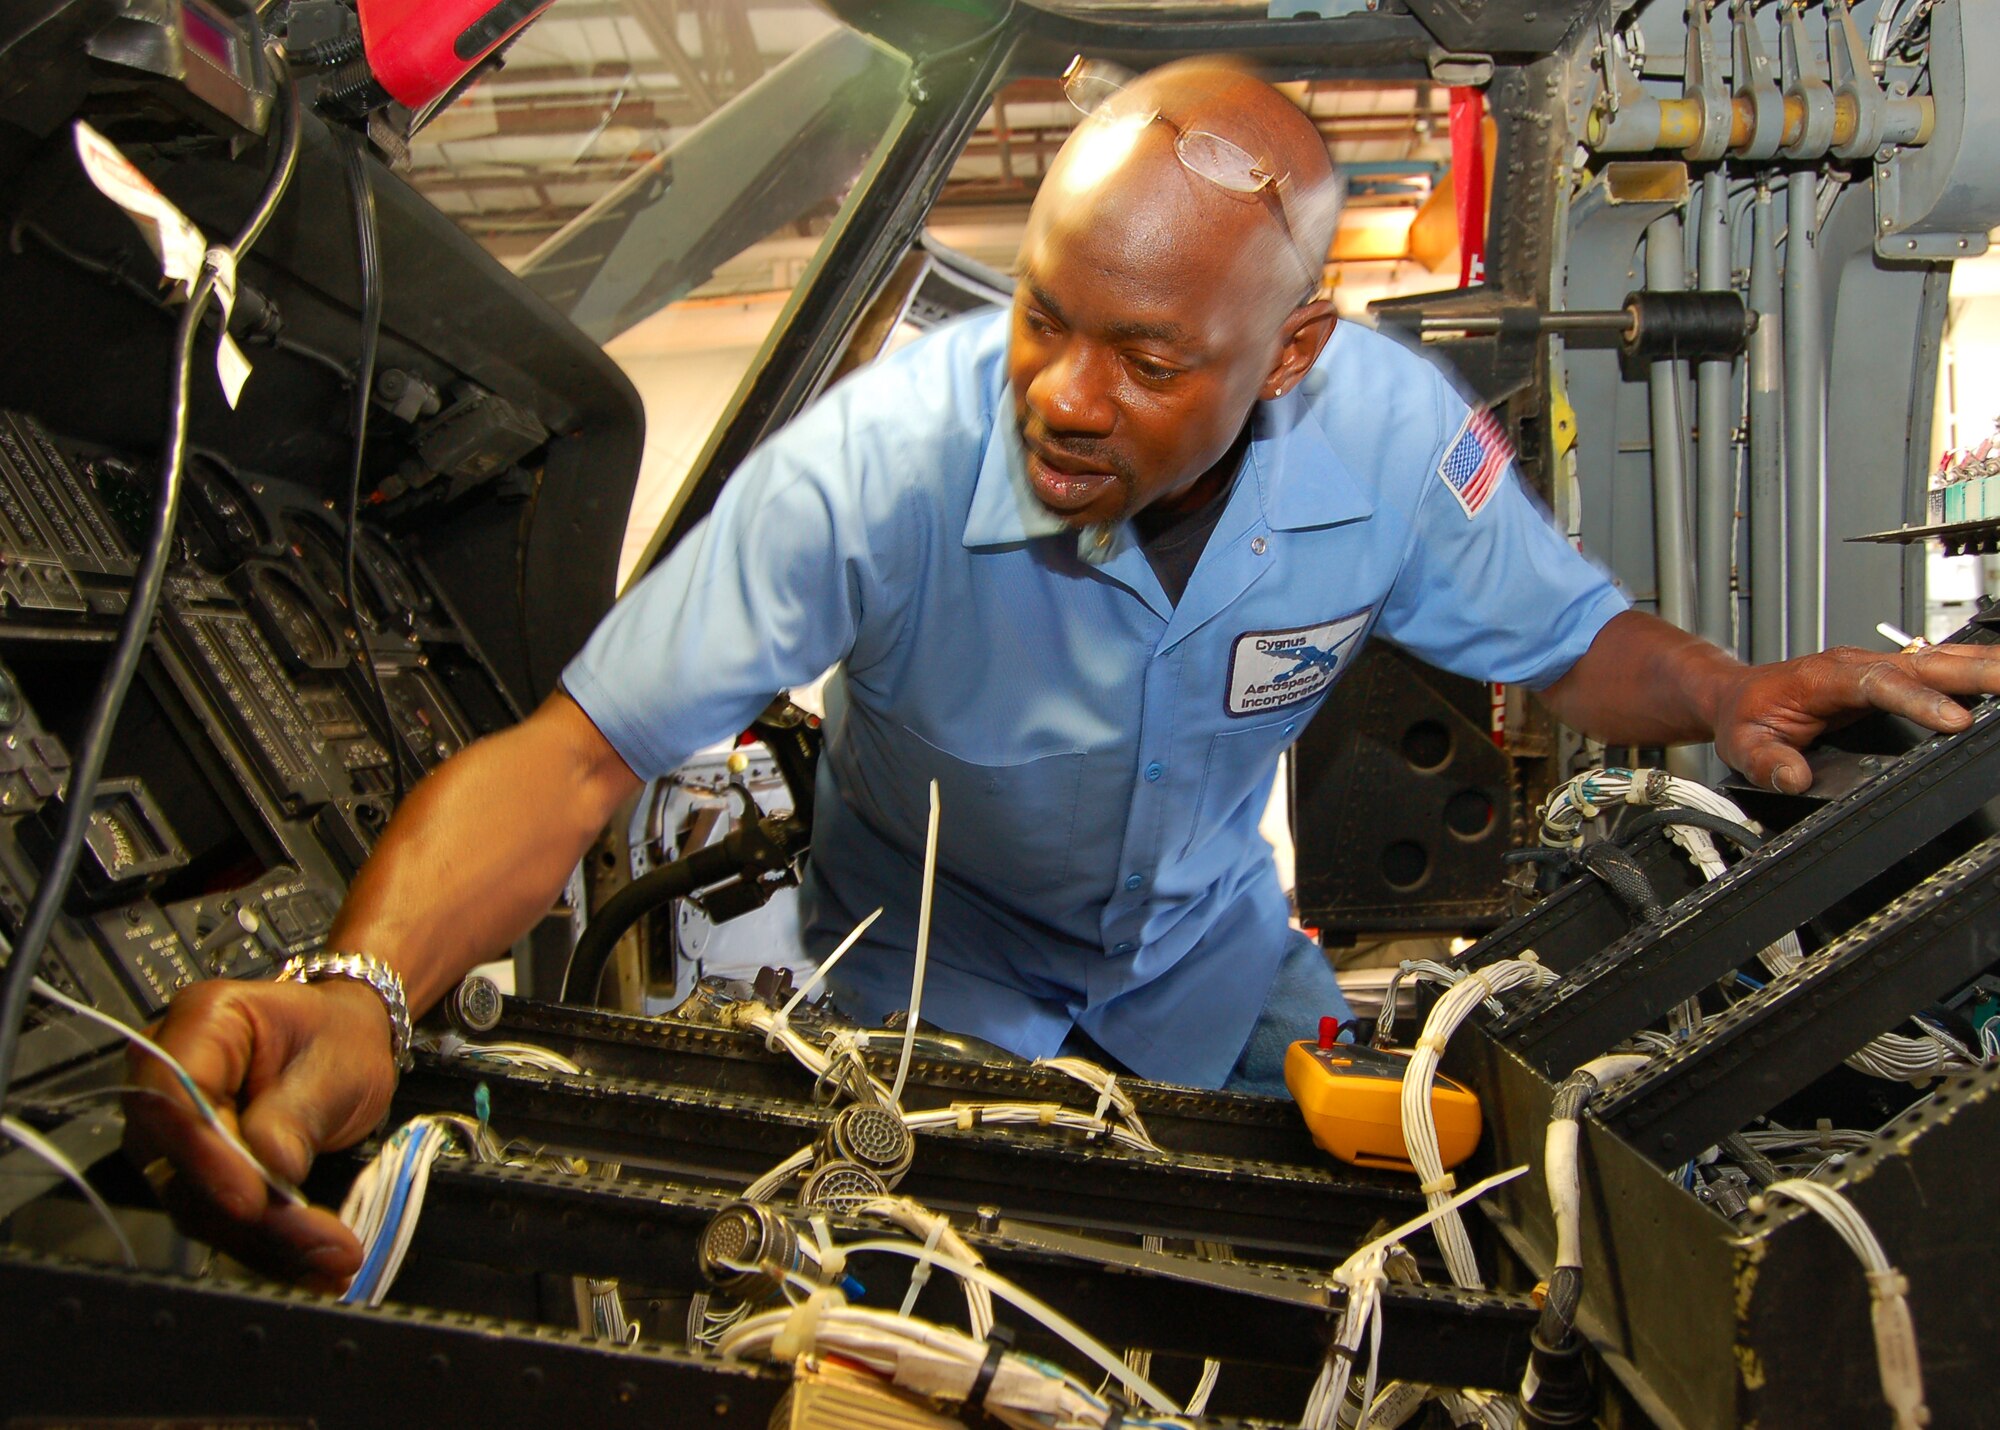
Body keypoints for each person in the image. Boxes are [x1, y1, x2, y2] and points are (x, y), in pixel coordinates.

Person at [124, 56, 2000, 1289]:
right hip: (919, 988)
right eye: (1043, 318)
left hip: (1211, 966)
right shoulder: (878, 468)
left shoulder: (1383, 444)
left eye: (1148, 359)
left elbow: (1575, 641)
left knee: (1412, 1267)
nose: (1064, 397)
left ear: (1290, 354)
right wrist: (362, 982)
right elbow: (575, 759)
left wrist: (1727, 693)